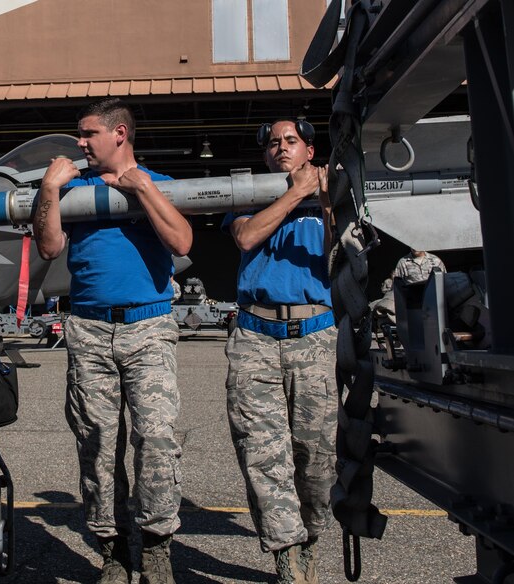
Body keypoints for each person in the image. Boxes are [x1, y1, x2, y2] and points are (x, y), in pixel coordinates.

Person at [33, 98, 192, 584]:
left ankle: (159, 545)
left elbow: (183, 242)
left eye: (87, 134)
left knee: (157, 439)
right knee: (98, 445)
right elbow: (48, 245)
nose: (79, 143)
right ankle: (114, 548)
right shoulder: (74, 188)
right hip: (89, 328)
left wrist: (142, 186)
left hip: (148, 326)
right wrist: (48, 189)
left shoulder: (158, 184)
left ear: (119, 134)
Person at [222, 119, 335, 584]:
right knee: (263, 454)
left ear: (309, 149)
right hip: (256, 336)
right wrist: (293, 192)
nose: (281, 149)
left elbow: (338, 243)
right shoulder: (249, 193)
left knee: (317, 456)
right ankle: (286, 556)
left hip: (314, 334)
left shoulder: (328, 195)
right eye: (273, 144)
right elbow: (247, 238)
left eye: (291, 142)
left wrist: (323, 192)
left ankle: (309, 537)